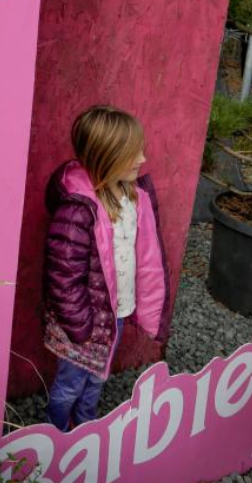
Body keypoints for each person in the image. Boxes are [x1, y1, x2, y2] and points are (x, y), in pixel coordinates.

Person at [42, 106, 170, 432]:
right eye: (132, 154)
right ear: (107, 157)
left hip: (116, 315)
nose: (142, 158)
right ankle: (56, 437)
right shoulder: (78, 210)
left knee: (98, 378)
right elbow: (63, 278)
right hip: (81, 323)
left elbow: (148, 258)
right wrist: (81, 327)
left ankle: (84, 432)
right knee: (70, 385)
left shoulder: (133, 198)